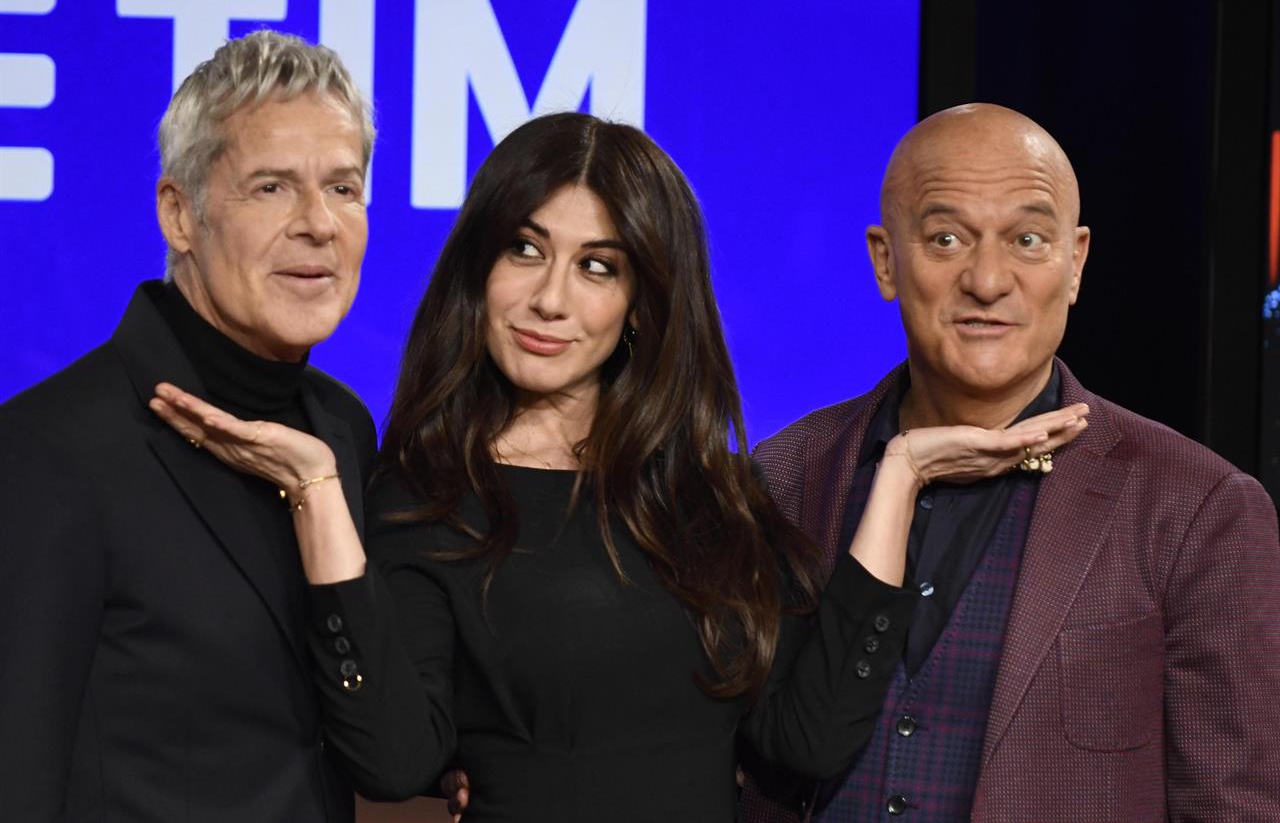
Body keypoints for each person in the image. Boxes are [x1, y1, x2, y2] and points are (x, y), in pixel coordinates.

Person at [148, 112, 1086, 822]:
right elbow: (393, 761)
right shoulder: (426, 497)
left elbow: (805, 740)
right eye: (525, 250)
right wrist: (317, 492)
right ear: (480, 270)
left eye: (599, 266)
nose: (551, 299)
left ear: (641, 302)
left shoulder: (712, 495)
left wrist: (901, 473)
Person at [737, 103, 1280, 823]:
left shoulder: (1196, 507)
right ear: (886, 260)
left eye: (1027, 240)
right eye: (946, 238)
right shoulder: (787, 474)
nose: (988, 280)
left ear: (1075, 262)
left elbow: (1231, 804)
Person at [0, 30, 377, 820]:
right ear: (179, 213)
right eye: (272, 187)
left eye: (343, 187)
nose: (319, 223)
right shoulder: (50, 448)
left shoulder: (343, 430)